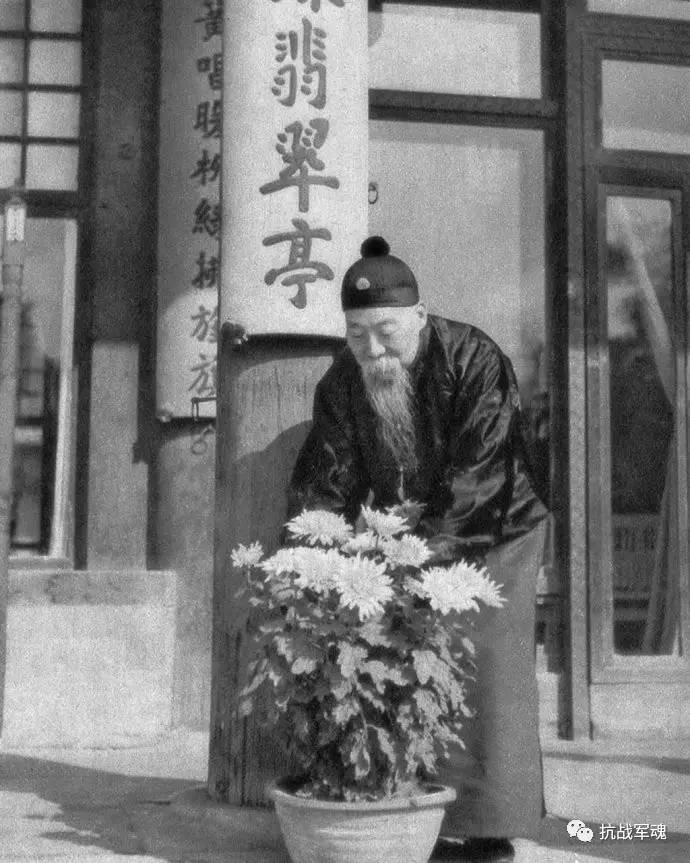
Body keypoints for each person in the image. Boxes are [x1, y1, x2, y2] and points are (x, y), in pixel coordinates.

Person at [286, 236, 549, 862]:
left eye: (386, 332)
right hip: (408, 534)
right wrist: (310, 560)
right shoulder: (343, 381)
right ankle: (410, 817)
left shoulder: (475, 358)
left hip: (497, 524)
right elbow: (327, 476)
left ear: (420, 317)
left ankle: (488, 830)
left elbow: (482, 474)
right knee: (391, 659)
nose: (373, 350)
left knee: (483, 665)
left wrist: (418, 561)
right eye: (357, 335)